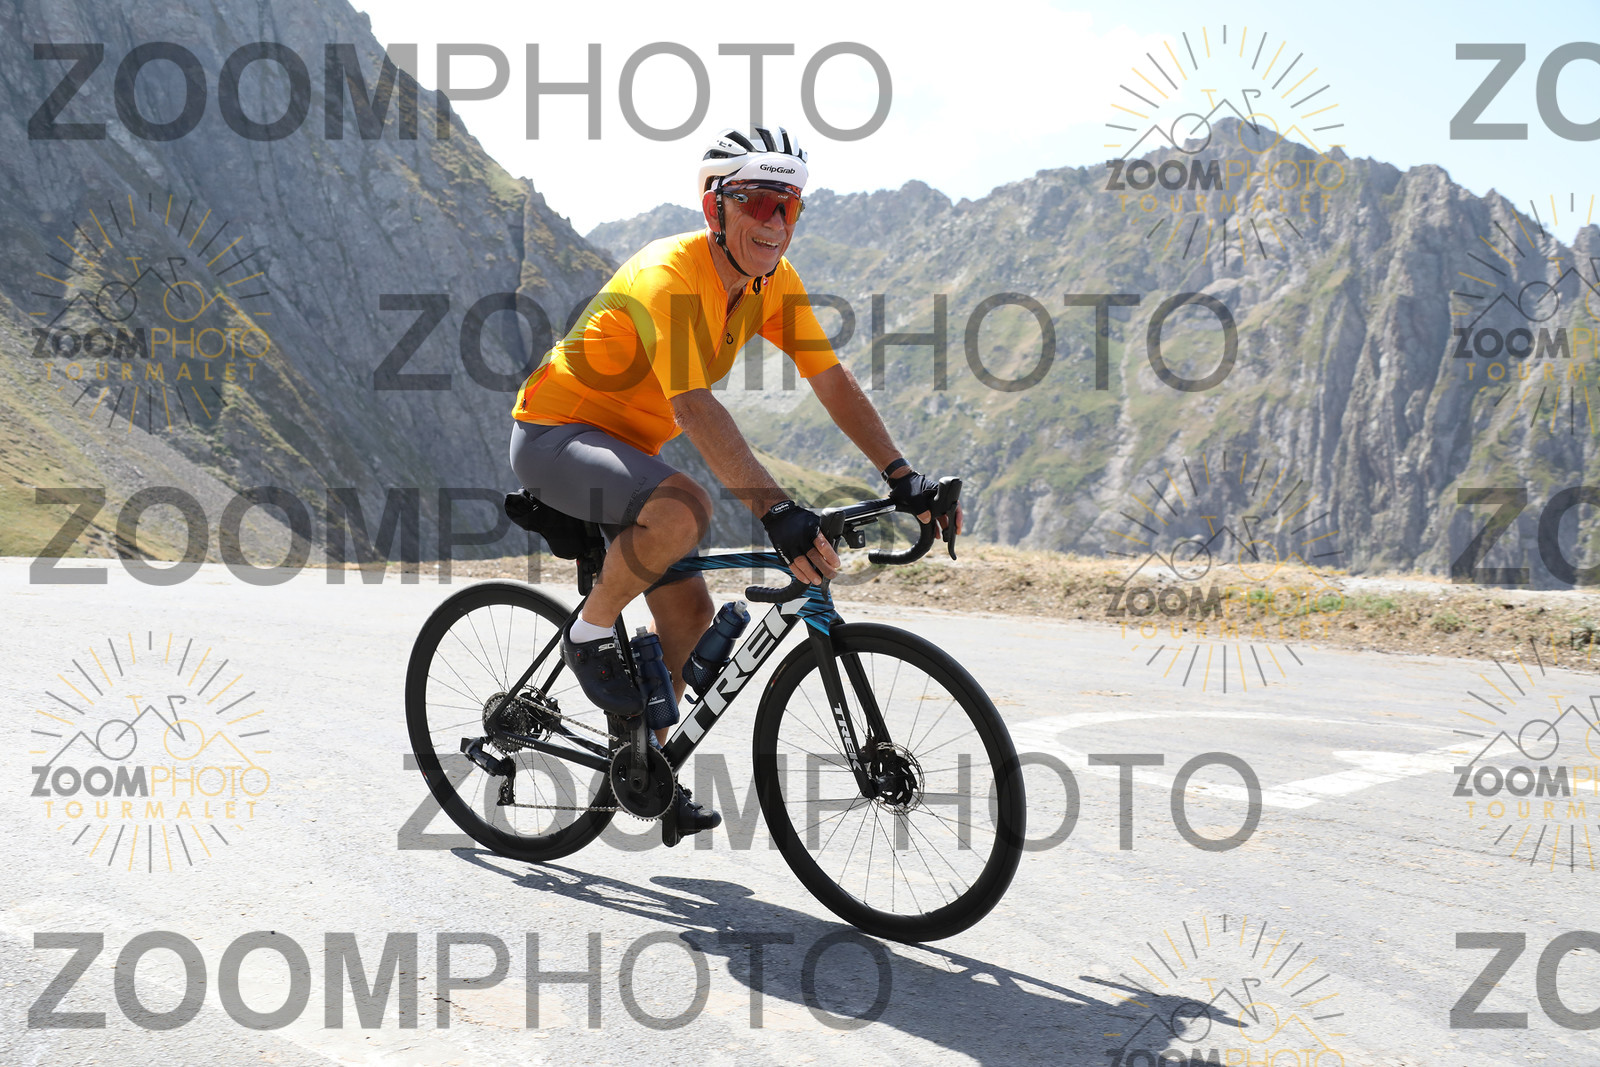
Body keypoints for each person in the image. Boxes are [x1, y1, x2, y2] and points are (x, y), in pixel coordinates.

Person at [509, 126, 961, 835]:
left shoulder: (773, 284)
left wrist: (903, 476)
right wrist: (776, 509)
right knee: (685, 506)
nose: (774, 221)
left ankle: (643, 769)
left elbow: (830, 380)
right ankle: (589, 633)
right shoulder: (669, 276)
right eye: (756, 201)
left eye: (789, 205)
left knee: (688, 619)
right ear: (714, 206)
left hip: (627, 452)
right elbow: (693, 406)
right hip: (555, 435)